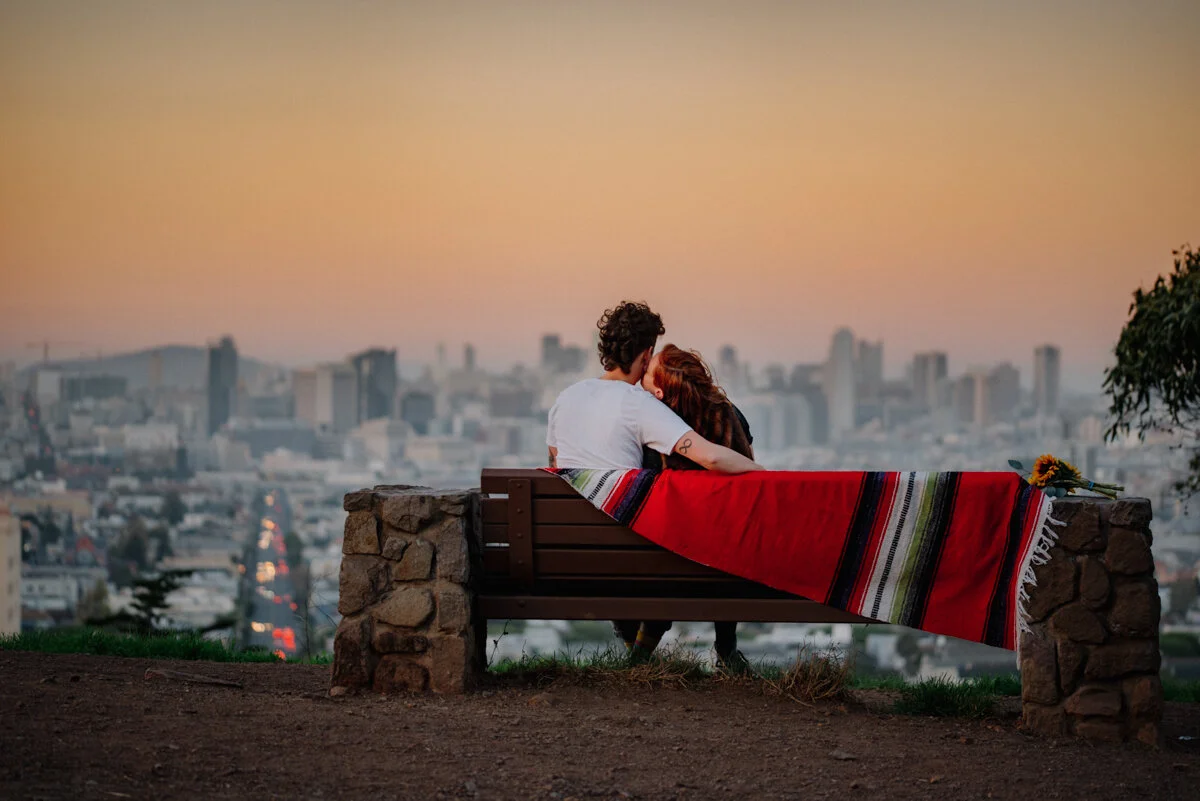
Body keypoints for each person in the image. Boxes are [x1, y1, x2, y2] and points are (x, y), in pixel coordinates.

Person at [612, 344, 755, 671]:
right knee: (723, 536)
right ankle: (726, 650)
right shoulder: (730, 416)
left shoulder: (654, 430)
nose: (641, 379)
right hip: (727, 567)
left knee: (638, 552)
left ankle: (637, 656)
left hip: (667, 563)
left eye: (647, 375)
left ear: (660, 393)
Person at [546, 302, 762, 476]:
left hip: (563, 526)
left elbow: (555, 460)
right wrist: (761, 472)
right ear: (647, 354)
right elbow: (711, 458)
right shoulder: (639, 404)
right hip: (615, 526)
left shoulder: (565, 397)